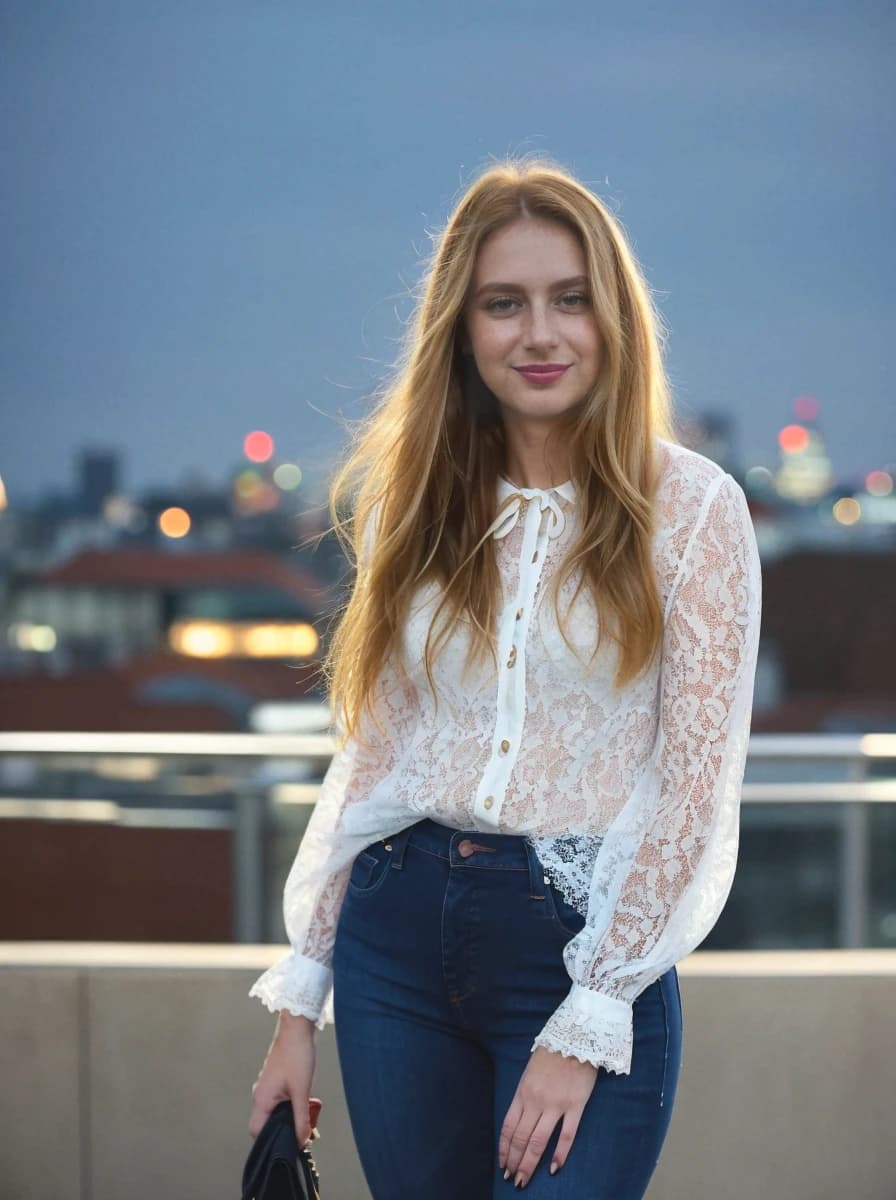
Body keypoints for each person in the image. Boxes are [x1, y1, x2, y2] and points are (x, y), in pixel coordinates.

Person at [247, 156, 763, 1198]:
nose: (539, 333)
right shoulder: (416, 507)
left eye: (570, 300)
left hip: (576, 957)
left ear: (612, 316)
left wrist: (586, 1017)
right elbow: (376, 760)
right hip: (392, 946)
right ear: (461, 328)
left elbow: (688, 790)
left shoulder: (695, 513)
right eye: (504, 304)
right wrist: (298, 1006)